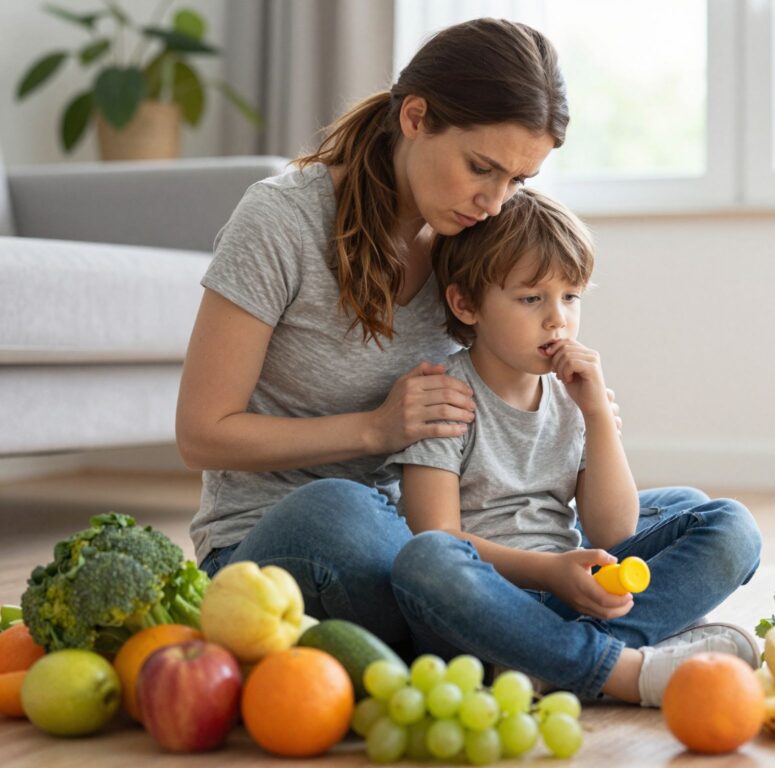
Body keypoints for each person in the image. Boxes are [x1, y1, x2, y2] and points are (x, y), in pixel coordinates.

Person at [176, 18, 573, 657]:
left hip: (436, 535)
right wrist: (376, 430)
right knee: (341, 510)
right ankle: (597, 654)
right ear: (415, 117)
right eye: (482, 168)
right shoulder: (280, 221)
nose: (495, 202)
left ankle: (524, 638)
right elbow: (200, 434)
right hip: (280, 547)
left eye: (518, 182)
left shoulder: (473, 232)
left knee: (705, 521)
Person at [385, 188, 763, 706]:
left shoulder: (571, 393)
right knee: (425, 560)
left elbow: (613, 530)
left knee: (726, 523)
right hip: (486, 606)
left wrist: (597, 415)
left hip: (573, 587)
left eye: (570, 296)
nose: (557, 318)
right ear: (465, 304)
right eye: (531, 298)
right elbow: (438, 536)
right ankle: (625, 661)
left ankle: (557, 662)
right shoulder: (445, 397)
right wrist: (550, 574)